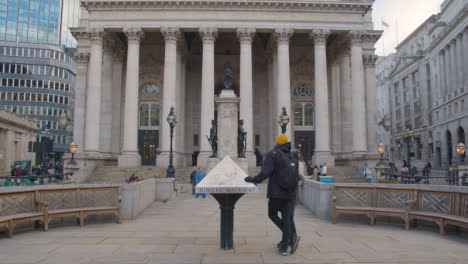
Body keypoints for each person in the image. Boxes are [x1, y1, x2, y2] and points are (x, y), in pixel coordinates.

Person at [244, 134, 300, 256]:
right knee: (286, 219)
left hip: (277, 192)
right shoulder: (291, 155)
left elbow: (265, 173)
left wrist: (253, 179)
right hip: (289, 192)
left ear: (277, 142)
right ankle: (284, 248)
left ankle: (289, 235)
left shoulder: (273, 154)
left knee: (272, 214)